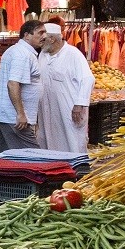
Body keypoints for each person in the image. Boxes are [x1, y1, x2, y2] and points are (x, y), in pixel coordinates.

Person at [0, 19, 46, 153]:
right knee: (32, 155)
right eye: (40, 32)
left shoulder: (16, 51)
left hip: (6, 114)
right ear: (26, 35)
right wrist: (20, 114)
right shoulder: (22, 55)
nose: (45, 36)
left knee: (1, 154)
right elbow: (12, 84)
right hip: (14, 118)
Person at [35, 22, 92, 154]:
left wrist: (79, 104)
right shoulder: (42, 55)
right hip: (47, 110)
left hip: (69, 109)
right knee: (47, 141)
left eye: (43, 39)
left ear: (52, 39)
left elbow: (87, 79)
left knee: (71, 142)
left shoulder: (73, 54)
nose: (40, 43)